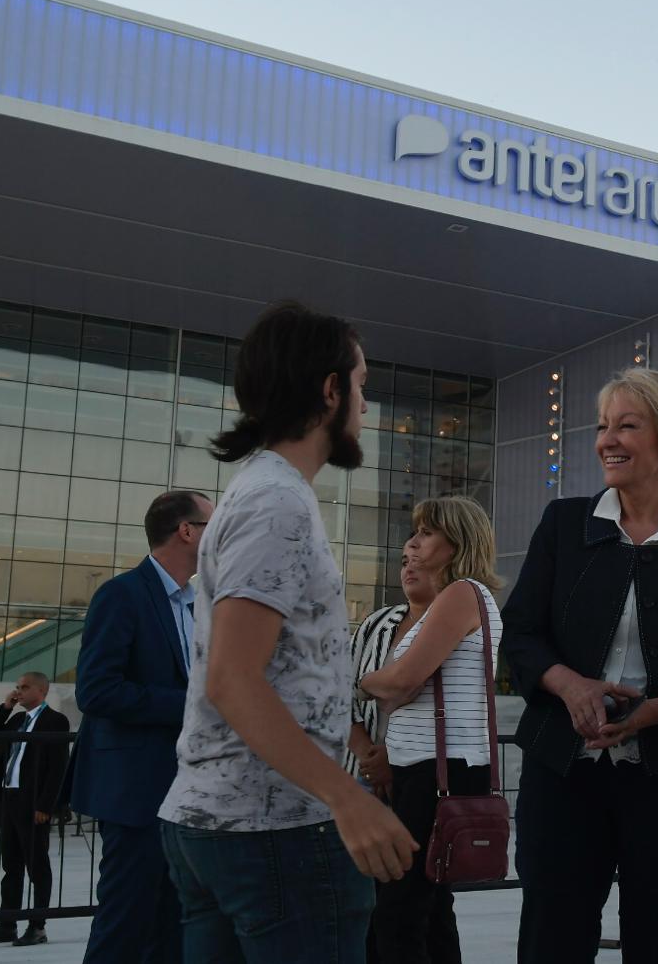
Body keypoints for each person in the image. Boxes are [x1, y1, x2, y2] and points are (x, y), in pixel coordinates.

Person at [157, 301, 416, 963]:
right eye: (358, 383)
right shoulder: (277, 504)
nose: (364, 401)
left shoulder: (263, 493)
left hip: (232, 827)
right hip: (274, 831)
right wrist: (346, 797)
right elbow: (233, 679)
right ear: (329, 390)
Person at [503, 367, 658, 964]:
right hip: (562, 776)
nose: (606, 439)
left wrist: (656, 712)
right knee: (550, 942)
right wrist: (569, 685)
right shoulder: (562, 524)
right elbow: (520, 635)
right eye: (602, 426)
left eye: (627, 425)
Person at [357, 497, 504, 964]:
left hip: (436, 771)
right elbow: (400, 684)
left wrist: (360, 683)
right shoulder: (446, 603)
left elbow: (400, 680)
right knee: (430, 908)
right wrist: (389, 685)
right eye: (413, 533)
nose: (413, 544)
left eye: (427, 534)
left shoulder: (463, 593)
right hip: (420, 769)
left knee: (399, 910)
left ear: (457, 541)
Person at [69, 490, 212, 964]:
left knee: (173, 926)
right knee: (124, 925)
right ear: (186, 531)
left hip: (186, 794)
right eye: (213, 525)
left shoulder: (198, 605)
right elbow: (96, 690)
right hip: (135, 793)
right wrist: (194, 704)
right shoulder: (121, 594)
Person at [0, 672, 71, 947]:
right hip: (11, 797)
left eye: (24, 687)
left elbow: (57, 767)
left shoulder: (56, 721)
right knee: (11, 865)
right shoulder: (16, 719)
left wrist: (45, 805)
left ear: (40, 690)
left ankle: (37, 926)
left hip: (33, 803)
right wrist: (5, 707)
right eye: (17, 687)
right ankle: (7, 924)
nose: (19, 691)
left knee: (37, 865)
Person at [344, 542, 426, 792]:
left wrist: (393, 761)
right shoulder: (376, 623)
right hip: (362, 773)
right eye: (404, 562)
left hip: (420, 776)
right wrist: (369, 761)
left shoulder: (453, 626)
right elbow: (339, 691)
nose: (409, 568)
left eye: (418, 561)